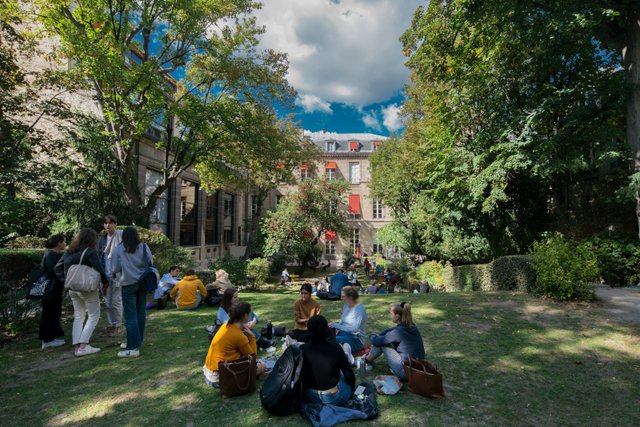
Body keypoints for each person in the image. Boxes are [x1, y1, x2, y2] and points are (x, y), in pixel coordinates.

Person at [54, 228, 109, 357]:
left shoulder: (68, 252)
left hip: (72, 289)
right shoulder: (89, 252)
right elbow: (100, 269)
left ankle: (77, 344)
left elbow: (57, 268)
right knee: (94, 315)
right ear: (92, 240)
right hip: (87, 288)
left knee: (78, 315)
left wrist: (66, 281)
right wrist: (106, 282)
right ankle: (83, 347)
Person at [202, 301, 267, 388]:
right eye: (250, 313)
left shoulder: (226, 325)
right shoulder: (239, 335)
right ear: (245, 316)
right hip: (218, 376)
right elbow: (252, 358)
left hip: (208, 370)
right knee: (262, 365)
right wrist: (251, 337)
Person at [112, 226, 153, 358]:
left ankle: (133, 347)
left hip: (128, 284)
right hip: (143, 283)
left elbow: (115, 268)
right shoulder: (144, 247)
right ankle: (137, 341)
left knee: (130, 316)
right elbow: (150, 262)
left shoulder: (119, 249)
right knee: (140, 312)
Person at [300, 315, 355, 406]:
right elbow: (349, 375)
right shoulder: (335, 348)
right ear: (326, 330)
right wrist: (351, 389)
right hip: (332, 397)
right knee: (341, 374)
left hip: (310, 395)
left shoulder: (302, 349)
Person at [366, 302, 425, 380]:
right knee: (383, 339)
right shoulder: (412, 326)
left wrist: (372, 336)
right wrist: (380, 335)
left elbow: (376, 341)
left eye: (391, 313)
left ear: (397, 316)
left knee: (383, 344)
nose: (390, 315)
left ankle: (366, 360)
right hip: (418, 369)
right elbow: (391, 330)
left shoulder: (397, 332)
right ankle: (367, 359)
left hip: (406, 372)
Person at [97, 214, 123, 336]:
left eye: (111, 223)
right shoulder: (102, 239)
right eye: (106, 223)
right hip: (104, 274)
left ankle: (118, 325)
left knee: (116, 301)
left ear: (115, 224)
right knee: (107, 301)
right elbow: (98, 256)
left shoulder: (120, 235)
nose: (108, 225)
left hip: (117, 274)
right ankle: (110, 324)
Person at [39, 234, 66, 349]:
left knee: (54, 312)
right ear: (58, 243)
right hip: (51, 290)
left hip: (54, 289)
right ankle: (47, 339)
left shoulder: (54, 254)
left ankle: (52, 336)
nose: (65, 243)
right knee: (50, 313)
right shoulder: (50, 254)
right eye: (64, 241)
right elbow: (54, 270)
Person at [330, 286, 367, 354]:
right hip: (344, 334)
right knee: (327, 336)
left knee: (332, 341)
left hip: (356, 339)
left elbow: (354, 329)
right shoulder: (346, 305)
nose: (341, 298)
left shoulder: (360, 309)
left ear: (350, 297)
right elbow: (342, 320)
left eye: (343, 296)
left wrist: (335, 325)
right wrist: (337, 328)